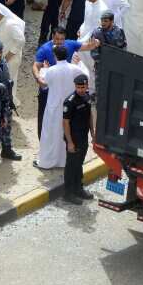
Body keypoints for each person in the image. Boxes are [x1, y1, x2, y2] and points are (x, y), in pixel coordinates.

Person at [61, 72, 95, 204]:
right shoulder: (70, 102)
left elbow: (89, 115)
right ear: (75, 86)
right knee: (71, 165)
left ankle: (78, 188)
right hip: (73, 138)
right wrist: (69, 142)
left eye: (83, 87)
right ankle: (68, 193)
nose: (80, 90)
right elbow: (65, 122)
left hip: (83, 137)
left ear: (87, 86)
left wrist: (92, 132)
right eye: (78, 87)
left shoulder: (86, 97)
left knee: (79, 163)